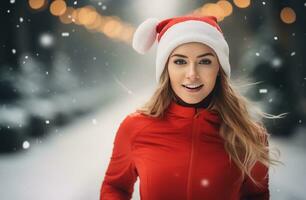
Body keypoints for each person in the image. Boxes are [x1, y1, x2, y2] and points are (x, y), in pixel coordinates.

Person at [100, 15, 281, 200]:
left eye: (204, 61)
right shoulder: (135, 128)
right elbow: (115, 187)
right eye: (180, 61)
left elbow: (256, 195)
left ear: (219, 69)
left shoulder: (248, 135)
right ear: (166, 69)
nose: (192, 74)